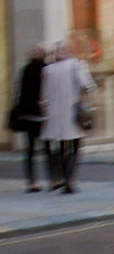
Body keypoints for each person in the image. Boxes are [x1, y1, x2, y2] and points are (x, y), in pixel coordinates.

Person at [40, 41, 96, 194]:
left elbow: (43, 96)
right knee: (75, 147)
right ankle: (70, 180)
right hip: (72, 112)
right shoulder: (76, 65)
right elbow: (88, 86)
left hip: (53, 115)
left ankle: (61, 178)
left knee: (60, 147)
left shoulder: (47, 70)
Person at [11, 44, 47, 192]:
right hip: (41, 114)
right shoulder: (45, 69)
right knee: (47, 149)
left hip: (30, 114)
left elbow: (19, 93)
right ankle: (53, 180)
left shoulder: (27, 70)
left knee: (31, 150)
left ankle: (32, 181)